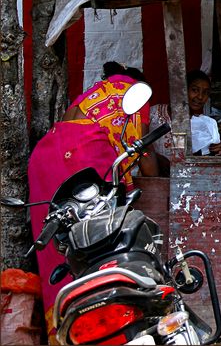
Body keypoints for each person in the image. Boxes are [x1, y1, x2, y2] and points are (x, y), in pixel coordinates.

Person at [28, 61, 155, 335]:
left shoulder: (93, 96)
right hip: (83, 157)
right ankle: (104, 321)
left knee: (56, 246)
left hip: (45, 157)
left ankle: (61, 327)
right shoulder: (133, 92)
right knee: (99, 243)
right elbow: (145, 158)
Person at [148, 69, 221, 171]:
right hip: (153, 177)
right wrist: (157, 159)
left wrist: (212, 149)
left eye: (205, 92)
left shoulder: (203, 124)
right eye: (195, 90)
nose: (200, 97)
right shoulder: (153, 113)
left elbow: (196, 159)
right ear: (182, 90)